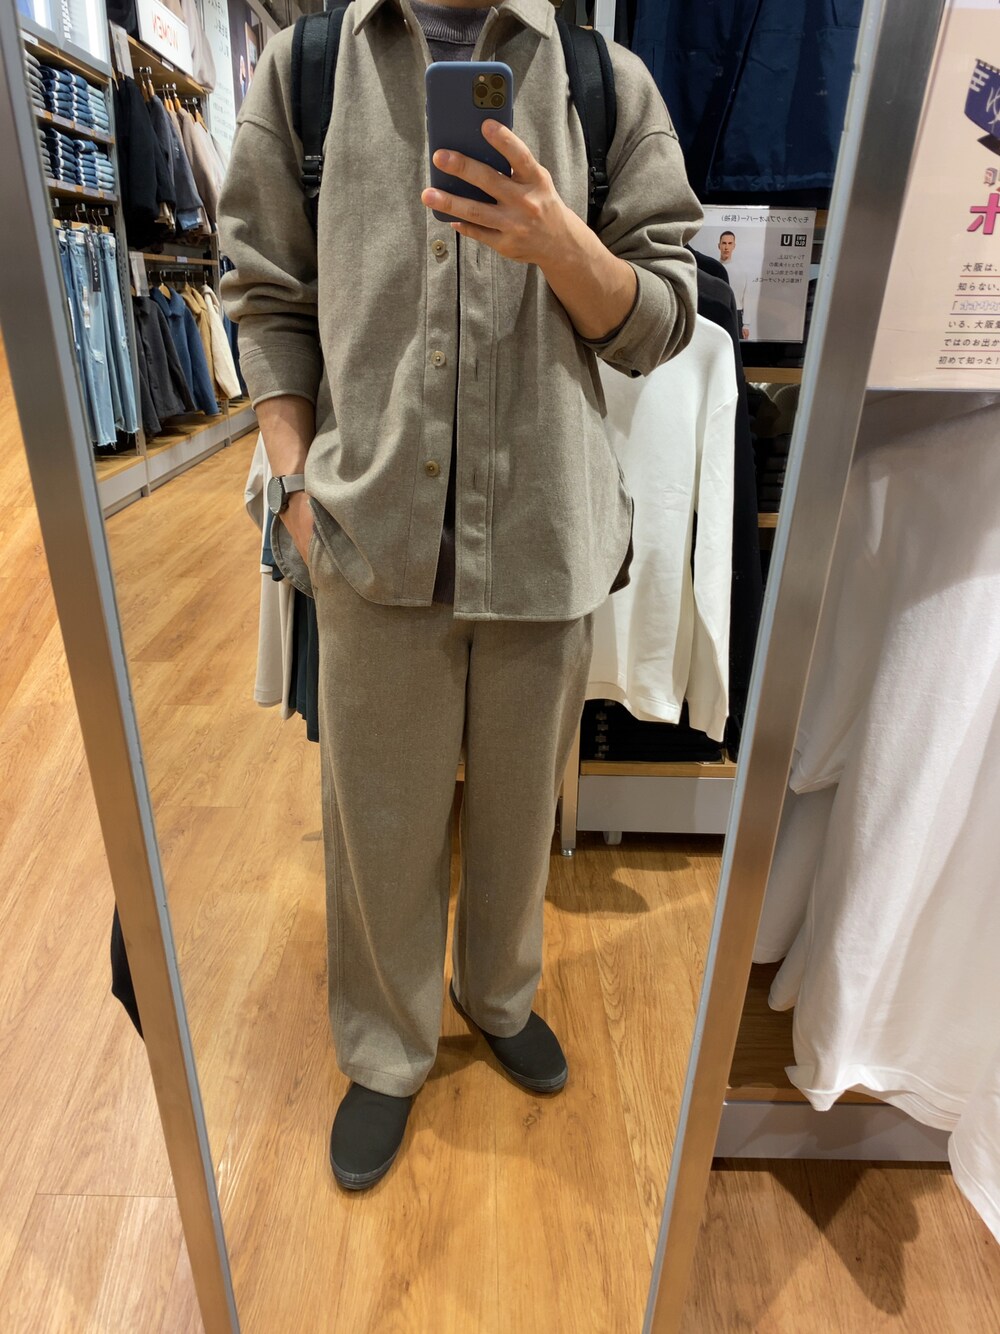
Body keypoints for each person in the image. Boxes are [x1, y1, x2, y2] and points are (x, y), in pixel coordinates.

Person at [218, 0, 702, 1192]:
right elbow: (265, 290)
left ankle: (498, 994)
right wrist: (293, 483)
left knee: (520, 812)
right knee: (376, 820)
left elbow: (660, 322)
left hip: (542, 527)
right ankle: (385, 1046)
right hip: (368, 526)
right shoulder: (307, 70)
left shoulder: (603, 81)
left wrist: (558, 241)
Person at [718, 229, 750, 338]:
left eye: (729, 243)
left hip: (736, 314)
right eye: (724, 243)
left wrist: (746, 325)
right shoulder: (713, 268)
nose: (726, 247)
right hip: (717, 313)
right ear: (719, 246)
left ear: (734, 246)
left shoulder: (741, 270)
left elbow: (747, 297)